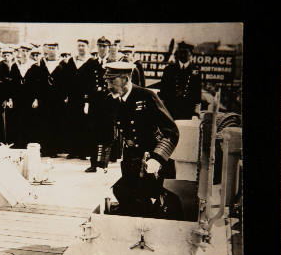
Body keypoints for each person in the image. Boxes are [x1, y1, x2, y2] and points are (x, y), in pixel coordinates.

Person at [104, 62, 183, 219]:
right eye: (107, 81)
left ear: (126, 79)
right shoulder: (113, 100)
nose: (108, 85)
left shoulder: (147, 96)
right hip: (131, 162)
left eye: (112, 81)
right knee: (123, 193)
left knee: (154, 205)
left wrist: (157, 158)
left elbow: (171, 131)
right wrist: (102, 159)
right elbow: (107, 130)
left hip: (153, 164)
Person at [31, 41, 68, 157]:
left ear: (58, 50)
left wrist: (65, 96)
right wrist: (36, 98)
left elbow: (67, 83)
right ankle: (45, 149)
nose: (51, 50)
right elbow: (36, 83)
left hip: (58, 100)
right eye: (50, 48)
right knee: (43, 123)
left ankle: (54, 149)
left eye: (54, 48)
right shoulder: (40, 64)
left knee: (56, 123)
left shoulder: (63, 65)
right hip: (44, 99)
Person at [63, 38, 97, 159]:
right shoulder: (71, 61)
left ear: (87, 48)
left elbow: (93, 82)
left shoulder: (92, 61)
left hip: (84, 98)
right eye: (79, 46)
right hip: (72, 97)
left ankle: (83, 152)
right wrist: (66, 95)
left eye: (83, 46)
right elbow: (66, 79)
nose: (81, 48)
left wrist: (88, 99)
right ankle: (73, 150)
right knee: (72, 122)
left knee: (83, 124)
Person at [85, 36, 114, 172]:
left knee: (107, 134)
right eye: (100, 46)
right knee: (92, 133)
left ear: (109, 48)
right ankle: (93, 164)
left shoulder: (113, 63)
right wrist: (86, 101)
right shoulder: (91, 63)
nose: (102, 49)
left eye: (105, 46)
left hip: (108, 104)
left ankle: (103, 163)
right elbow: (84, 83)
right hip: (94, 104)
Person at [159, 41, 202, 120]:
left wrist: (196, 112)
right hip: (171, 109)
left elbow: (197, 94)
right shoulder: (169, 69)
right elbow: (163, 91)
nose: (183, 55)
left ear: (191, 54)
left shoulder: (195, 71)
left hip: (187, 110)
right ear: (177, 53)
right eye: (181, 52)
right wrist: (162, 110)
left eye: (186, 52)